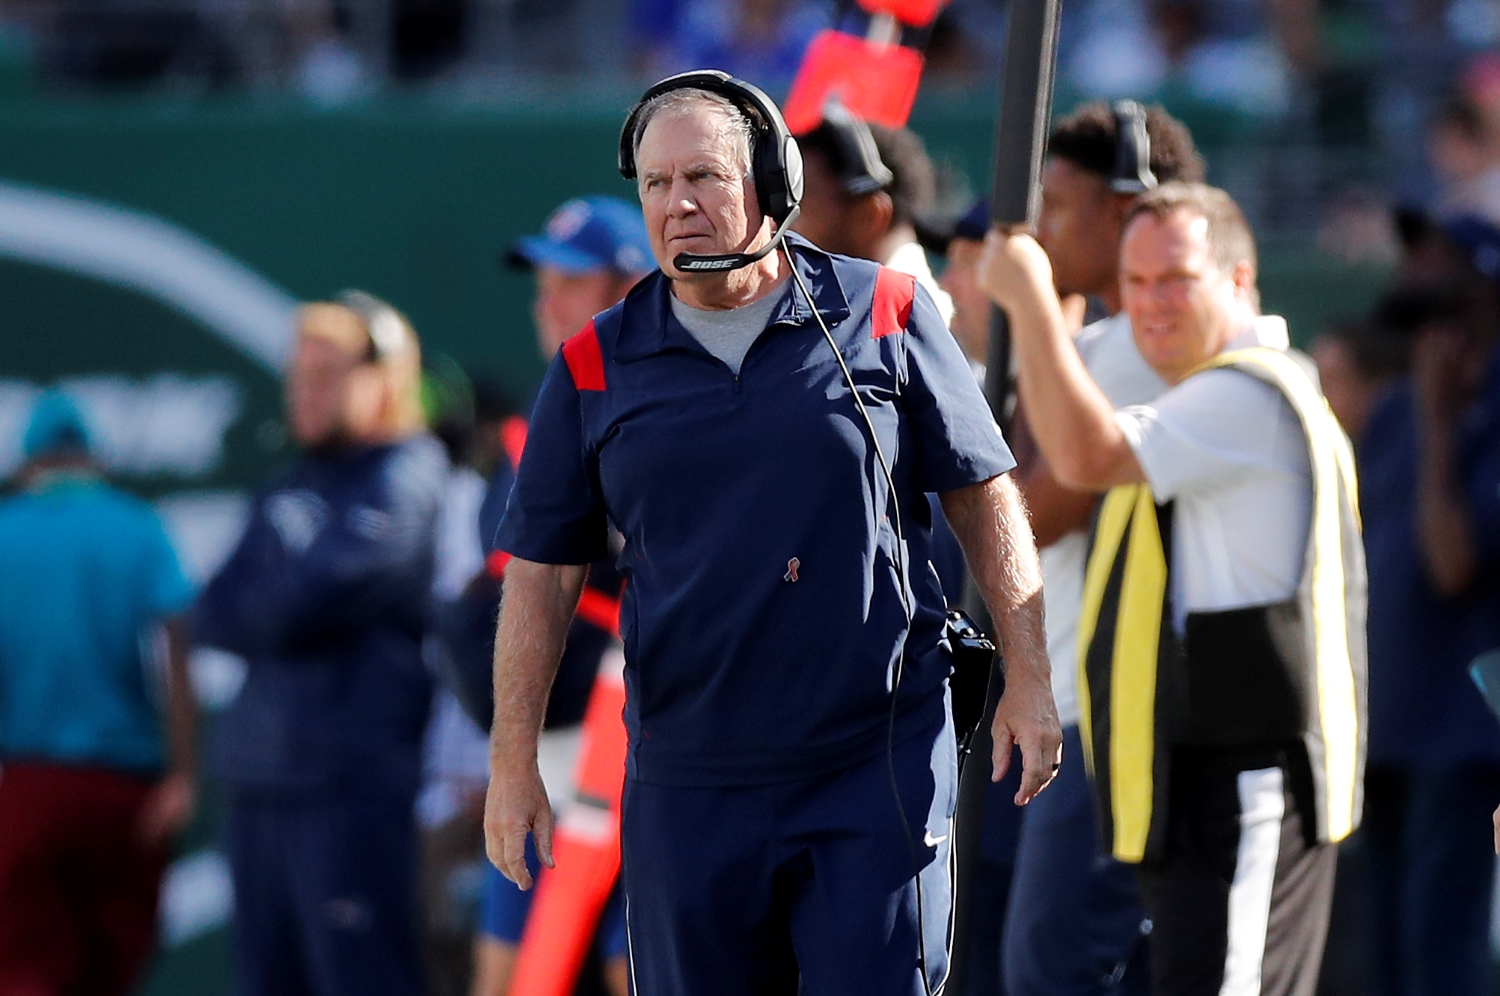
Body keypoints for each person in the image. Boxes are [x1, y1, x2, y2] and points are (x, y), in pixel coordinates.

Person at [484, 70, 1061, 996]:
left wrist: (1030, 678)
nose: (678, 205)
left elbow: (985, 497)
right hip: (688, 778)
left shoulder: (889, 313)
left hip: (872, 762)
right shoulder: (594, 360)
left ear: (772, 184)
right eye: (657, 185)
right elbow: (543, 574)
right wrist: (512, 761)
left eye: (704, 178)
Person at [979, 181, 1366, 996]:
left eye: (1177, 279)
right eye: (1138, 281)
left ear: (1240, 280)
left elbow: (1085, 460)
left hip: (1247, 779)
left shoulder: (1249, 393)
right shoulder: (1219, 395)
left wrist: (1033, 302)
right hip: (1197, 774)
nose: (1152, 303)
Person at [959, 100, 1205, 996]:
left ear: (1129, 207)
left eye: (1059, 204)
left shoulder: (1151, 351)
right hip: (1070, 701)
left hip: (1112, 712)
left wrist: (1026, 309)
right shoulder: (1099, 344)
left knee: (1053, 967)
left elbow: (1035, 512)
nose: (1038, 228)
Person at [793, 104, 1024, 996]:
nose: (779, 211)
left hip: (926, 693)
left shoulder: (904, 313)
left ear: (870, 210)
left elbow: (989, 498)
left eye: (806, 192)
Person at [194, 292, 447, 996]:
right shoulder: (288, 483)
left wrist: (273, 599)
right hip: (256, 782)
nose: (307, 392)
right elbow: (213, 613)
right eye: (299, 376)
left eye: (328, 374)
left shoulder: (410, 472)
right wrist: (278, 598)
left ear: (385, 379)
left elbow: (300, 605)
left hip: (348, 786)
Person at [470, 196, 653, 996]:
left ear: (629, 284)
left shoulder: (656, 406)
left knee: (637, 964)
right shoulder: (546, 413)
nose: (549, 301)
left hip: (639, 749)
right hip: (537, 755)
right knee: (513, 971)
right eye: (543, 280)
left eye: (571, 280)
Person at [0, 391, 197, 996]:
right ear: (91, 457)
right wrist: (183, 775)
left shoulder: (7, 533)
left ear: (30, 461)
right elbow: (175, 653)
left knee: (28, 973)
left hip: (27, 789)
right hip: (124, 795)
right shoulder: (138, 529)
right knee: (112, 972)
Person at [1358, 215, 1500, 996]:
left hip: (1468, 737)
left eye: (1439, 269)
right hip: (1389, 730)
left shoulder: (1455, 409)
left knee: (1439, 961)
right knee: (1383, 961)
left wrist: (1441, 418)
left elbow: (1452, 562)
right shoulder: (1395, 411)